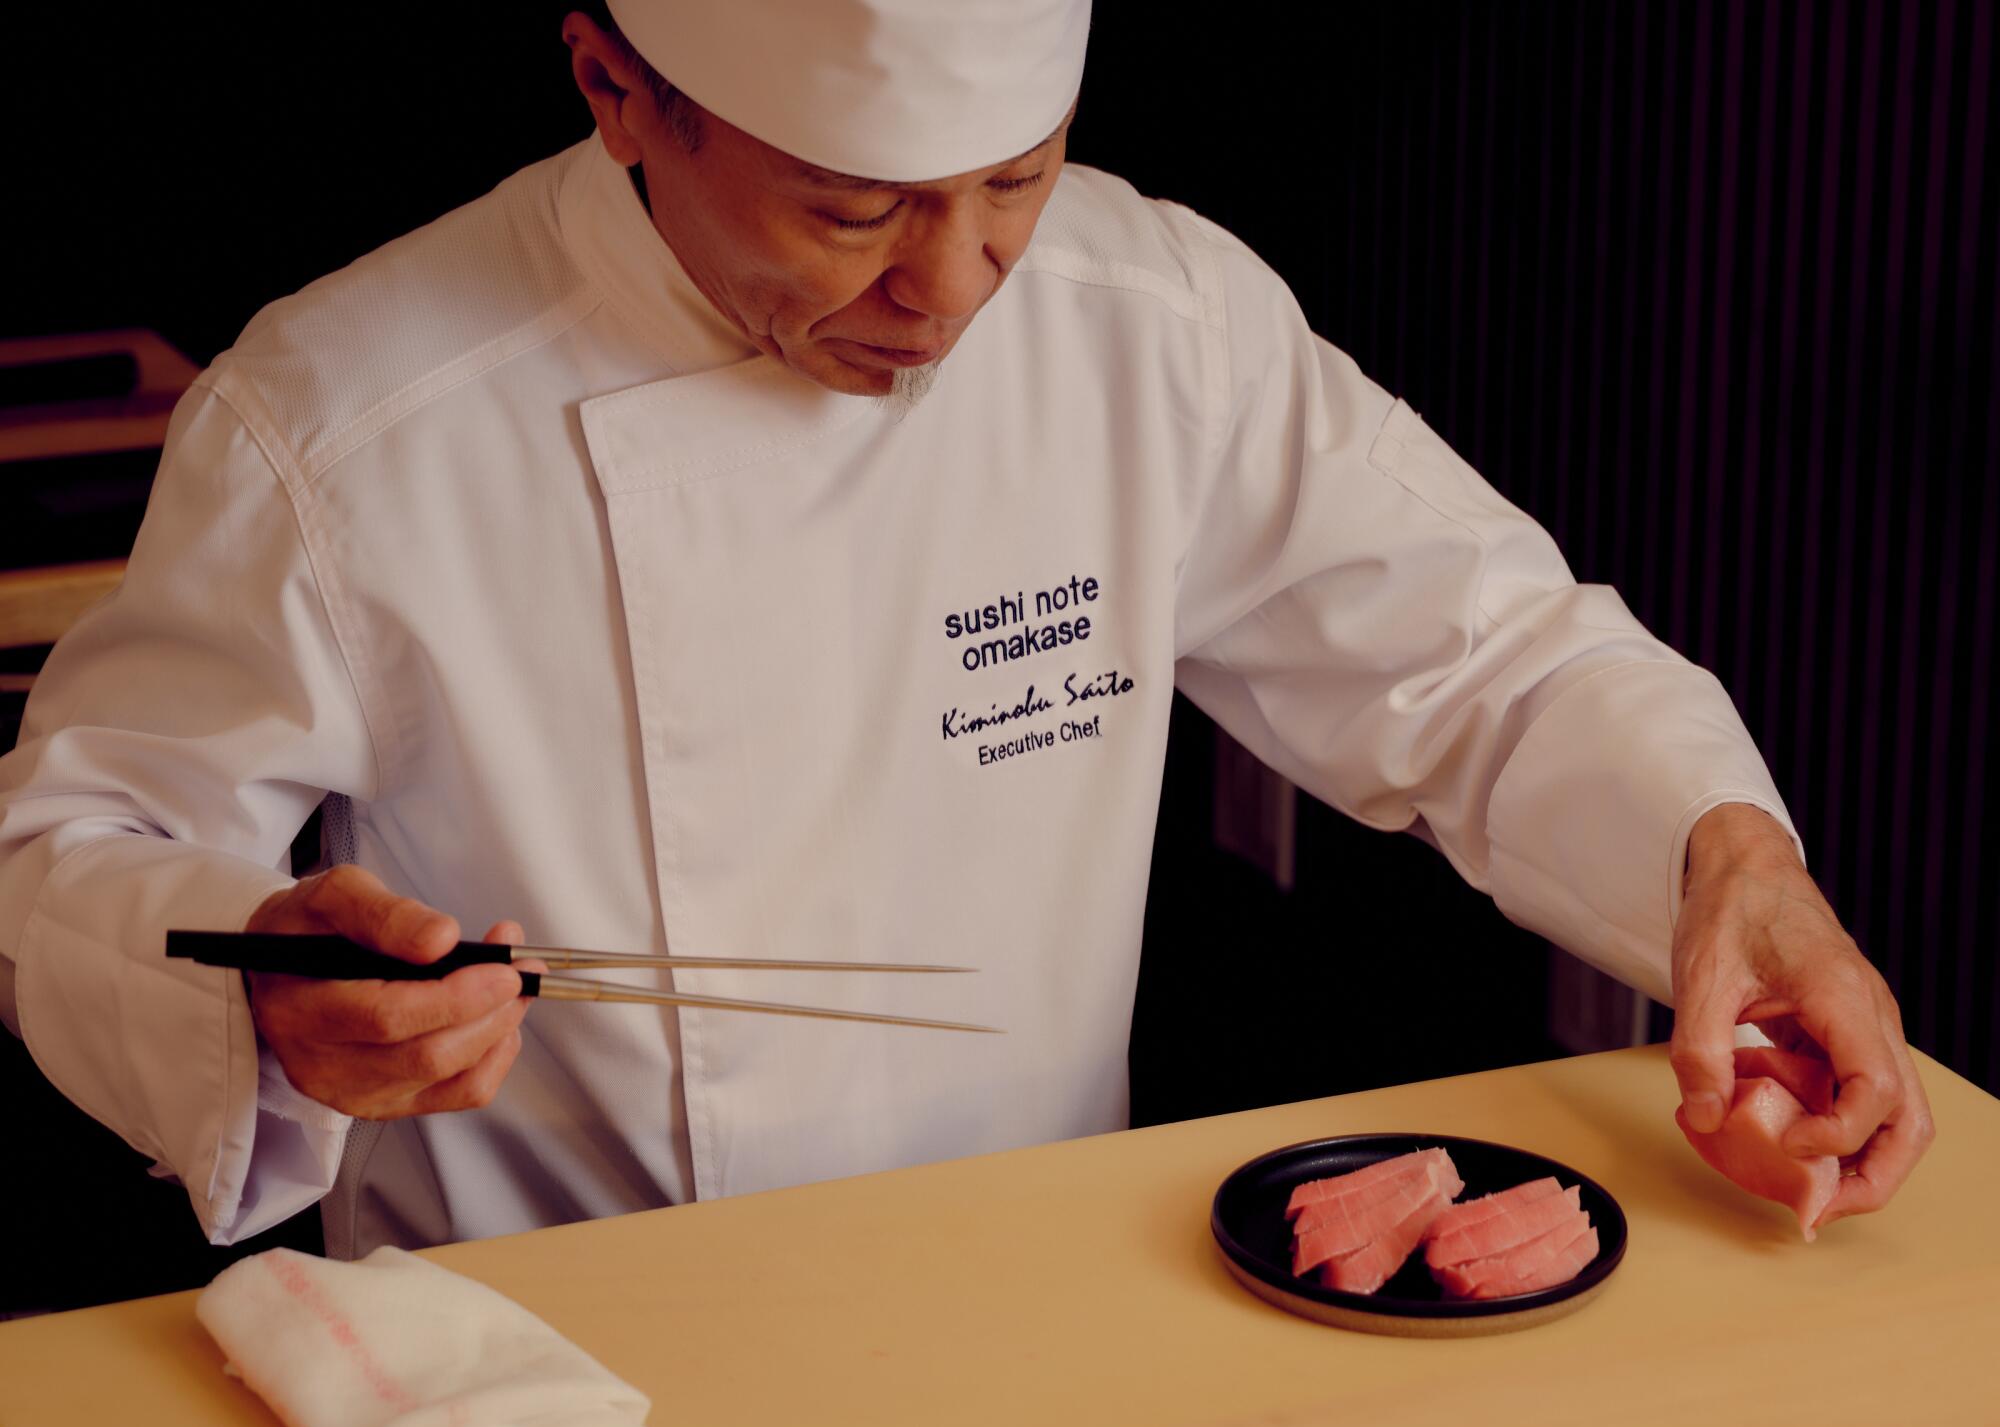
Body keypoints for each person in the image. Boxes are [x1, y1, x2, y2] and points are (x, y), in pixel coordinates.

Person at [0, 0, 1930, 1261]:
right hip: (537, 1366)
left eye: (1017, 179)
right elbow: (64, 857)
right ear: (616, 91)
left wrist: (1726, 858)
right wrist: (253, 979)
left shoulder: (1149, 321)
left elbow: (1495, 664)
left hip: (1041, 1309)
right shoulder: (343, 420)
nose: (955, 291)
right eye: (852, 215)